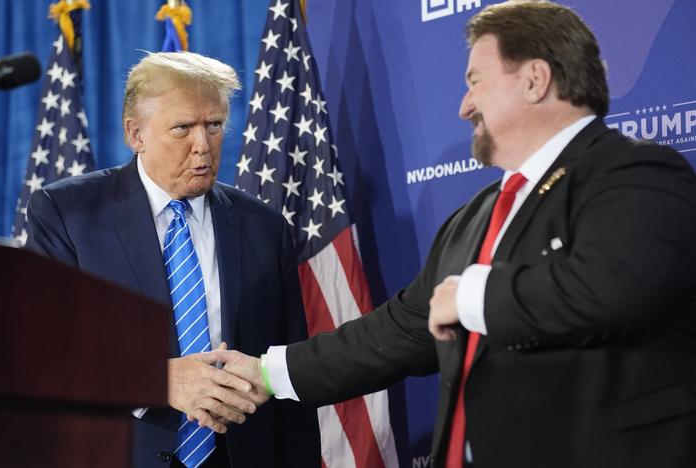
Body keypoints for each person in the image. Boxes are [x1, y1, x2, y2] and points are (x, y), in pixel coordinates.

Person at [219, 1, 696, 467]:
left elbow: (611, 288)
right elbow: (400, 330)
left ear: (535, 80)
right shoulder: (478, 215)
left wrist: (473, 295)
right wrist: (266, 372)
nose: (465, 105)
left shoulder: (636, 171)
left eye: (475, 81)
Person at [26, 51, 320, 468]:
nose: (202, 146)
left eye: (214, 125)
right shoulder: (68, 214)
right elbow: (41, 352)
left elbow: (290, 379)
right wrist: (158, 380)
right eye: (183, 127)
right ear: (135, 133)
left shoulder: (264, 228)